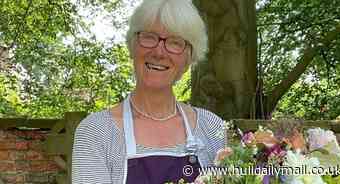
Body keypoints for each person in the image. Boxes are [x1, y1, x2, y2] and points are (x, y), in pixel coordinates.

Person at [72, 0, 226, 183]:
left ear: (189, 59)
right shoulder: (96, 132)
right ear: (132, 46)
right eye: (149, 37)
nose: (159, 52)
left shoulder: (212, 128)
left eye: (175, 42)